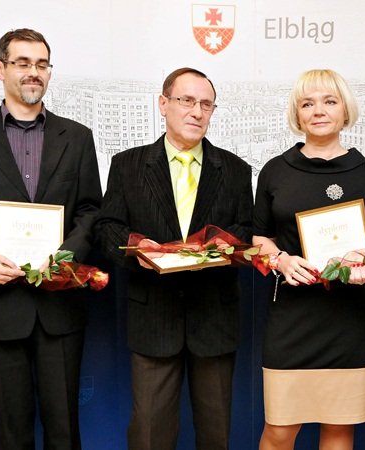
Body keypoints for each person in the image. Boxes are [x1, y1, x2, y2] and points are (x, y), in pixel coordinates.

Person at [0, 29, 102, 449]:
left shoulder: (78, 137)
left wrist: (66, 256)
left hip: (59, 305)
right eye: (23, 63)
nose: (34, 72)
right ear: (0, 68)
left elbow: (89, 210)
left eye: (42, 64)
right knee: (11, 432)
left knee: (64, 430)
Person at [94, 67, 253, 450]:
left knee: (216, 435)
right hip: (153, 317)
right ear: (163, 104)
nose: (196, 112)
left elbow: (247, 232)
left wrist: (217, 247)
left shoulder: (235, 169)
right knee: (149, 434)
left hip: (214, 318)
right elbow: (106, 228)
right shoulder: (127, 165)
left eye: (206, 104)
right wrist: (138, 247)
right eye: (186, 101)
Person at [253, 69, 365, 450]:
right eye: (307, 103)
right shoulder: (275, 171)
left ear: (345, 109)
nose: (318, 110)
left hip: (347, 320)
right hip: (291, 318)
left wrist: (363, 263)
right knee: (279, 430)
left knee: (339, 428)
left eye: (329, 101)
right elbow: (258, 238)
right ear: (297, 113)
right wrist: (280, 260)